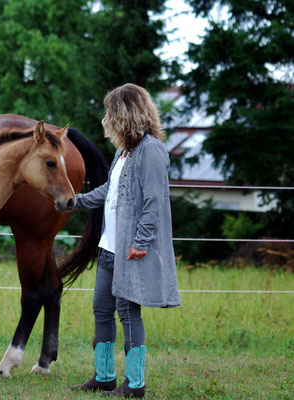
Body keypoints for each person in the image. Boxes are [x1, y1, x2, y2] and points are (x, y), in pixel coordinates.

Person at [70, 83, 181, 398]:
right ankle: (104, 376)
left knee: (128, 313)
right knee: (101, 309)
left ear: (126, 114)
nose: (107, 119)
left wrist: (141, 242)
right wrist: (75, 202)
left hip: (132, 251)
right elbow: (110, 191)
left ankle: (135, 383)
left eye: (111, 112)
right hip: (109, 247)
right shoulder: (123, 151)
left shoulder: (152, 150)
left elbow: (154, 202)